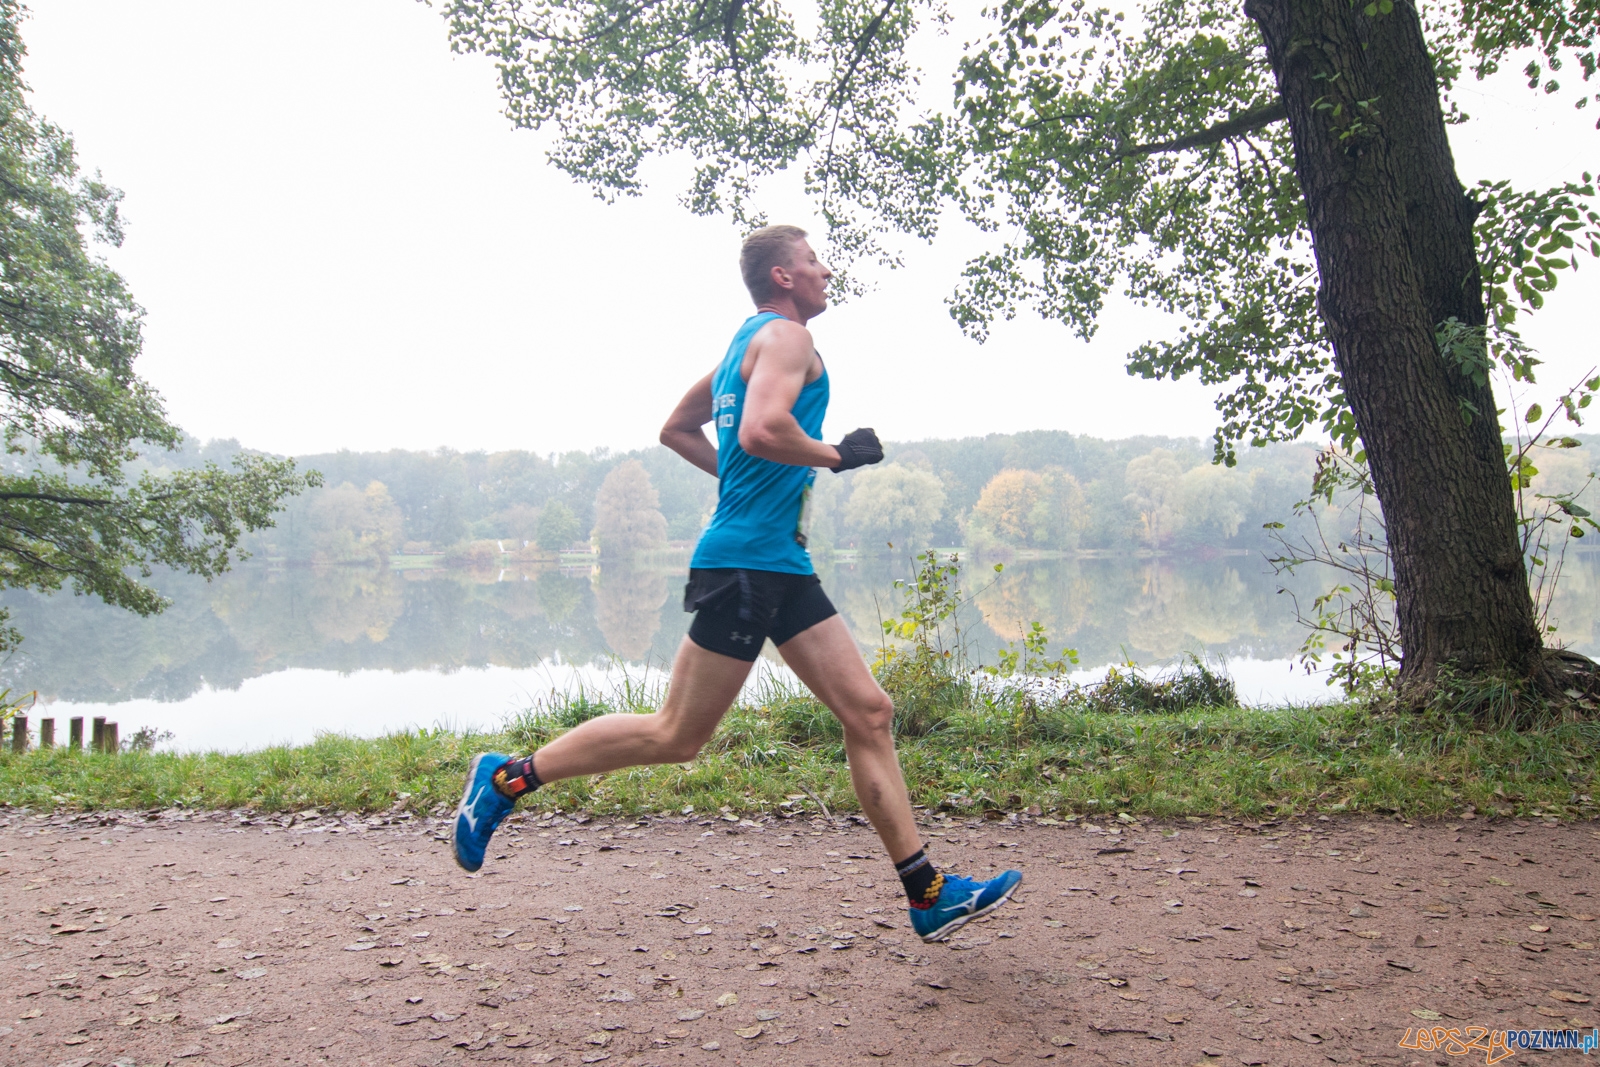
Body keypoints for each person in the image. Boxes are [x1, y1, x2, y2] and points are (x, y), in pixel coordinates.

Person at [450, 224, 1021, 942]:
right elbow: (759, 430)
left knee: (869, 712)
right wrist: (836, 455)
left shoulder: (738, 349)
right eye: (814, 261)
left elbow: (678, 429)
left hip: (777, 559)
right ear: (783, 276)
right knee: (676, 733)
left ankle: (927, 891)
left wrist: (751, 489)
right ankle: (504, 780)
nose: (826, 271)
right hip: (749, 564)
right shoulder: (786, 339)